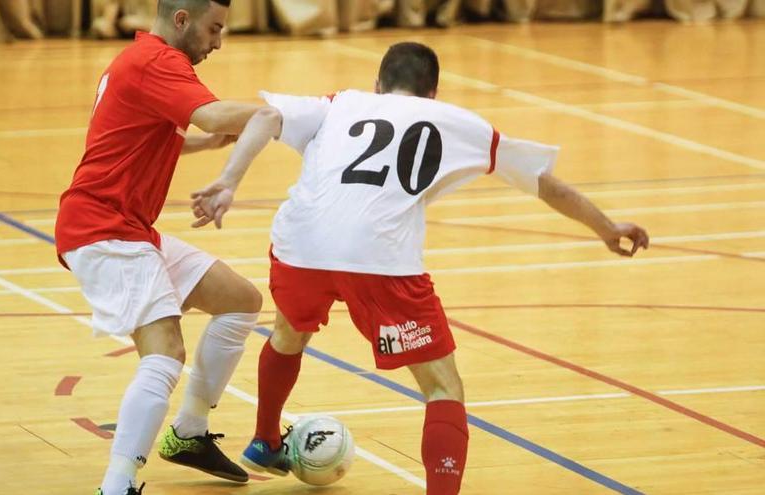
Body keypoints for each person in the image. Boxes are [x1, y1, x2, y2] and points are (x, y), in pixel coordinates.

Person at [189, 41, 650, 494]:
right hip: (379, 257)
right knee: (442, 387)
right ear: (433, 92)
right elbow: (545, 185)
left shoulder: (340, 103)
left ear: (378, 84)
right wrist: (606, 227)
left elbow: (260, 115)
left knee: (289, 334)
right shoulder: (458, 122)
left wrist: (216, 163)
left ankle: (266, 440)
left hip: (299, 245)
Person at [53, 1, 266, 494]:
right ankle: (117, 484)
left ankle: (189, 433)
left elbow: (136, 132)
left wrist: (198, 146)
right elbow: (212, 116)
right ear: (182, 20)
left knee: (240, 301)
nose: (218, 42)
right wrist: (283, 113)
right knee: (165, 351)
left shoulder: (136, 59)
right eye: (214, 29)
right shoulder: (159, 63)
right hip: (104, 229)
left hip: (124, 226)